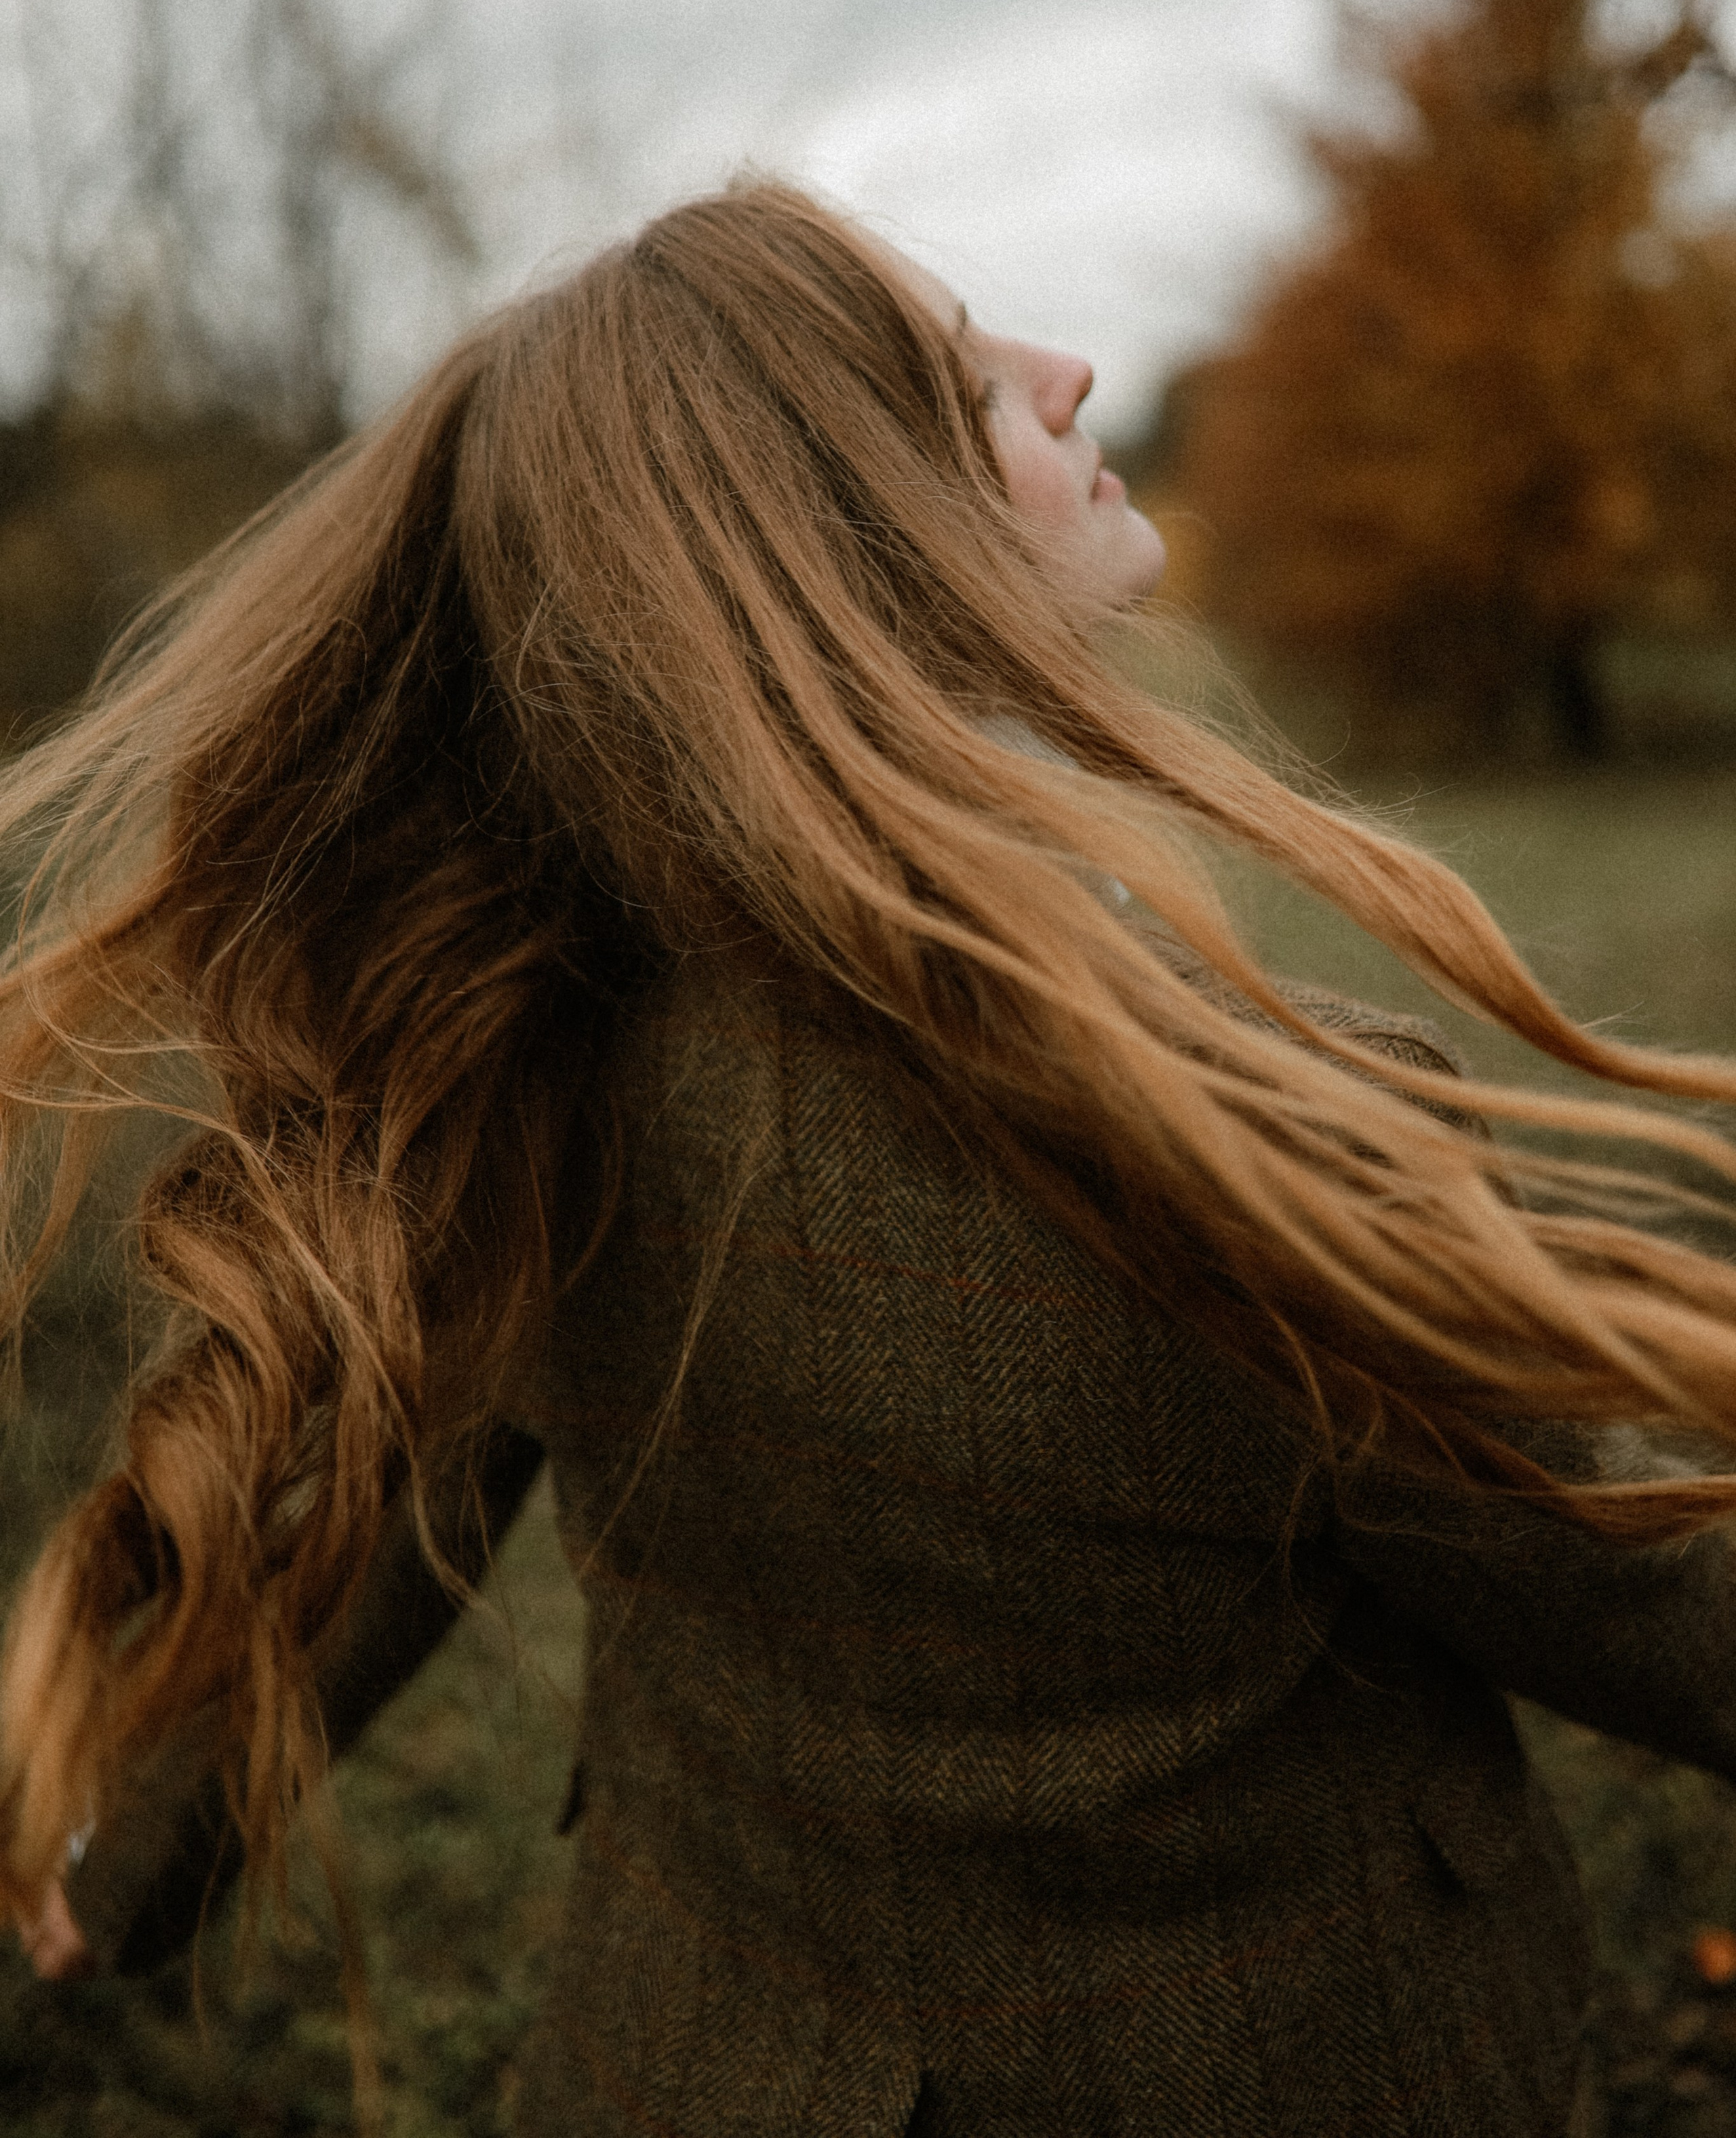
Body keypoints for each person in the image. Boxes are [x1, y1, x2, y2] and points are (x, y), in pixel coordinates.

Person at [3, 178, 1736, 2138]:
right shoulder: (1232, 1150)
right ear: (835, 553)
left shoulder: (525, 1070)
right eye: (960, 378)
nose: (1068, 371)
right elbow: (1651, 1596)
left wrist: (117, 1870)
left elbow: (382, 1522)